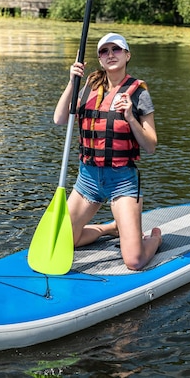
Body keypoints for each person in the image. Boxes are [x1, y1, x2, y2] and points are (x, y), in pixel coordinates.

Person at [54, 32, 162, 271]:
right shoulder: (88, 87)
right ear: (100, 59)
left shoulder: (138, 92)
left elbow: (151, 145)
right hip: (88, 180)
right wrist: (72, 82)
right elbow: (59, 118)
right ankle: (110, 228)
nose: (111, 55)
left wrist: (130, 117)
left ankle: (154, 239)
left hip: (122, 181)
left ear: (127, 55)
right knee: (65, 242)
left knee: (134, 261)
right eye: (105, 51)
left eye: (116, 50)